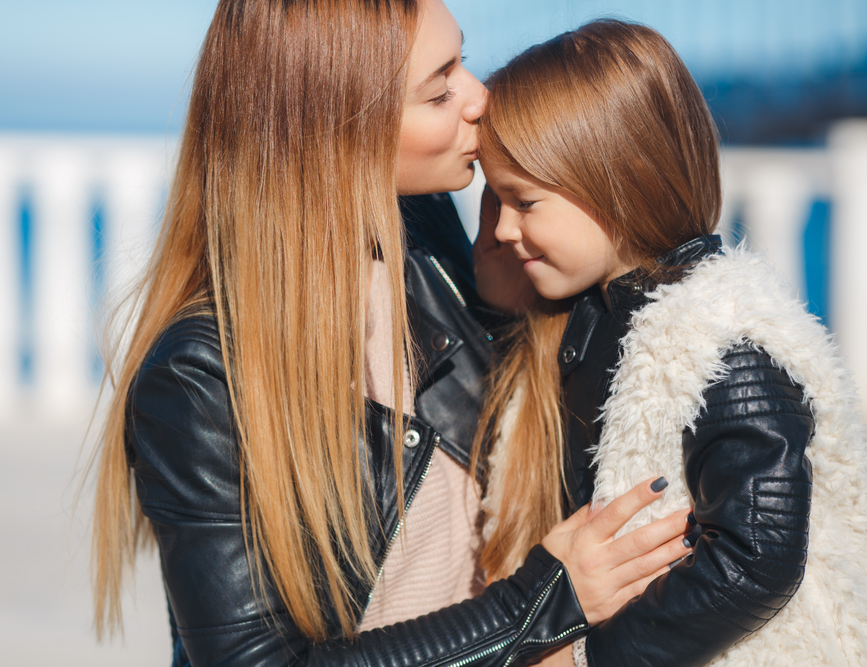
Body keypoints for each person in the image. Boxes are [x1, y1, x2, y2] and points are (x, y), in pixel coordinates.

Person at [91, 3, 694, 666]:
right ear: (329, 131)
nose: (479, 97)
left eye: (462, 61)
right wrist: (546, 601)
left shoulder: (437, 249)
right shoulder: (202, 377)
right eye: (439, 89)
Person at [474, 19, 867, 667]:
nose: (503, 227)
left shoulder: (720, 331)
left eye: (523, 201)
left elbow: (759, 549)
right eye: (492, 199)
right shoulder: (580, 318)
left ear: (617, 181)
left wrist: (595, 658)